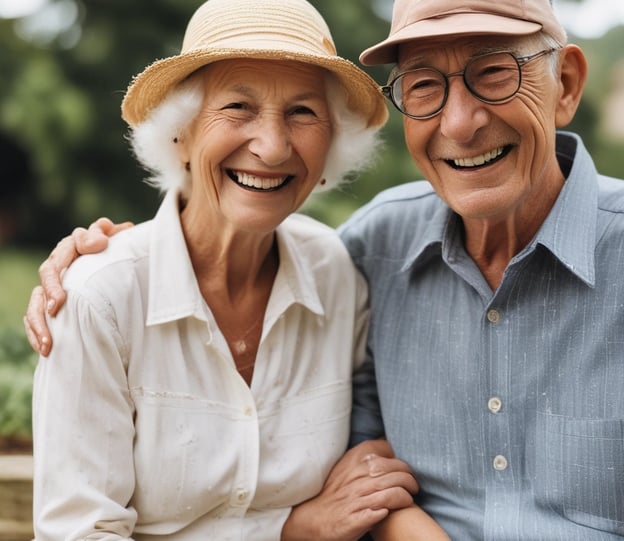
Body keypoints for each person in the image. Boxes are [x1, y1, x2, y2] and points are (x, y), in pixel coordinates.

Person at [25, 0, 624, 539]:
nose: (459, 122)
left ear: (567, 83)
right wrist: (102, 262)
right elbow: (369, 465)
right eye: (424, 86)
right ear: (179, 133)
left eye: (494, 74)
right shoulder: (373, 253)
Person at [21, 0, 458, 539]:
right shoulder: (99, 298)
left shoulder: (339, 274)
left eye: (303, 112)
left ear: (332, 147)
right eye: (237, 107)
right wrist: (289, 531)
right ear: (180, 133)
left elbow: (373, 470)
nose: (272, 147)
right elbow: (81, 532)